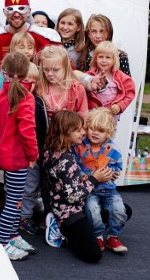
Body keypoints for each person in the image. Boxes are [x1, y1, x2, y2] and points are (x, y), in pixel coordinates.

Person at [41, 110, 112, 263]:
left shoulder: (52, 150)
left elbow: (62, 181)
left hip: (56, 205)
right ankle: (62, 231)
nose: (83, 132)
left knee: (122, 210)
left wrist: (84, 177)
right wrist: (94, 179)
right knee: (94, 255)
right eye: (78, 130)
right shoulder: (66, 158)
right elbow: (72, 196)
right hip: (67, 212)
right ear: (66, 131)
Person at [0, 52, 39, 261]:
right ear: (26, 73)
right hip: (18, 158)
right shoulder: (25, 98)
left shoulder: (1, 96)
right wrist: (33, 154)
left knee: (13, 197)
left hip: (6, 155)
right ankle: (3, 241)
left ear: (4, 73)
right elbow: (28, 131)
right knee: (14, 201)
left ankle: (12, 235)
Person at [74, 107, 128, 253]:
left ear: (108, 134)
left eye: (101, 130)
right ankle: (97, 236)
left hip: (109, 190)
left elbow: (117, 166)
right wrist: (81, 174)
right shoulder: (80, 146)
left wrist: (114, 172)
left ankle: (113, 236)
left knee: (119, 210)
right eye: (92, 128)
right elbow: (74, 164)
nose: (95, 133)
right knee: (92, 209)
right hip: (90, 190)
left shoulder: (113, 149)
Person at [18, 62, 48, 236]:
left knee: (29, 187)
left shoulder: (38, 102)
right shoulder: (10, 100)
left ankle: (25, 216)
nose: (28, 85)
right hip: (15, 154)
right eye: (24, 81)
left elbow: (43, 128)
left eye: (32, 82)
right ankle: (12, 216)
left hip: (34, 154)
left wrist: (40, 151)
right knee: (13, 188)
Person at [85, 41, 136, 120]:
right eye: (101, 57)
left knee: (108, 132)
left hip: (111, 117)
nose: (104, 60)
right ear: (95, 58)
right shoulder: (90, 75)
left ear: (114, 60)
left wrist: (120, 106)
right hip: (93, 115)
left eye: (108, 57)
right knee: (93, 132)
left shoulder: (121, 76)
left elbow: (130, 93)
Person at [35, 45, 88, 120]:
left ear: (66, 68)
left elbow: (83, 116)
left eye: (55, 70)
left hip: (70, 130)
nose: (50, 73)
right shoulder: (39, 87)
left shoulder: (77, 89)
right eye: (46, 69)